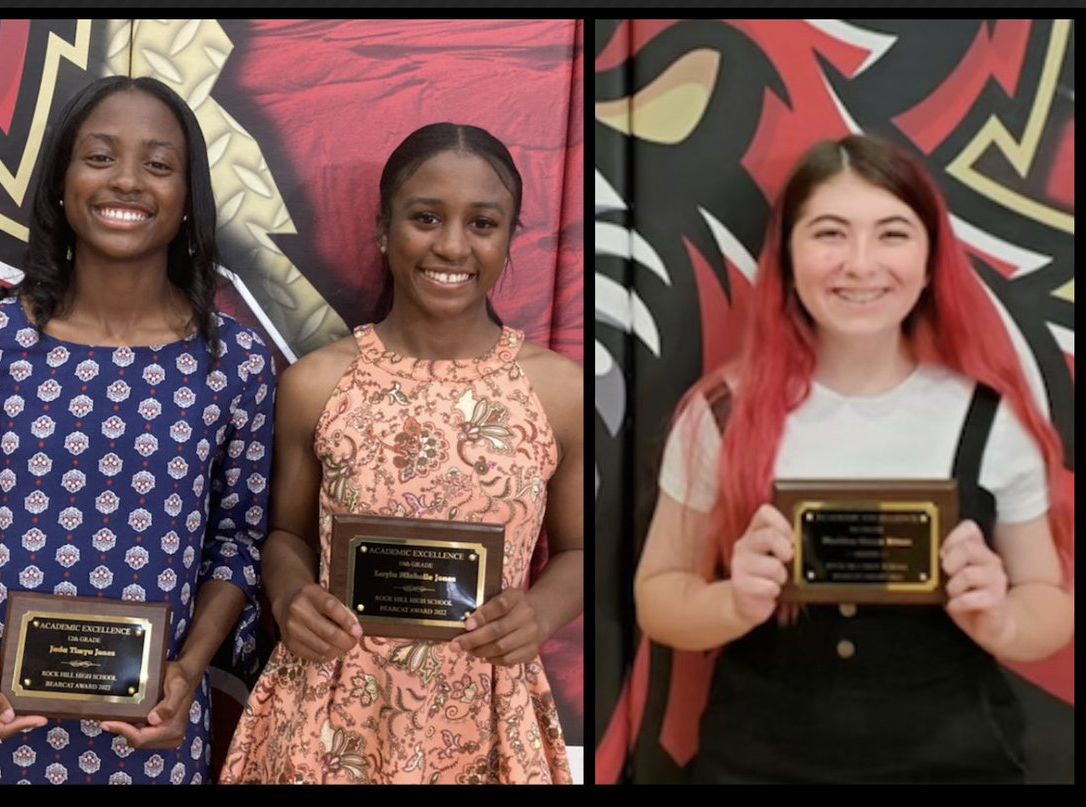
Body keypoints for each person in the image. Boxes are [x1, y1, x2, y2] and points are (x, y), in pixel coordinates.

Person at [634, 134, 1073, 784]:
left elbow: (1050, 605)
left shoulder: (989, 417)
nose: (860, 264)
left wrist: (1001, 617)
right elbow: (658, 596)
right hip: (755, 763)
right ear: (786, 255)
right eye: (830, 233)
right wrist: (736, 601)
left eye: (892, 233)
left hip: (956, 761)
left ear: (930, 259)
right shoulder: (721, 411)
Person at [0, 76, 275, 784]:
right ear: (62, 181)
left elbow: (238, 541)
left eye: (158, 165)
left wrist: (189, 669)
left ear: (188, 194)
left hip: (151, 740)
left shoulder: (235, 362)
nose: (127, 181)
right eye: (100, 157)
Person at [220, 123, 582, 784]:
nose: (451, 244)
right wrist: (292, 593)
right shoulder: (317, 383)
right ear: (384, 230)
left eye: (482, 223)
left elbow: (582, 553)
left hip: (482, 715)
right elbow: (282, 535)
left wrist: (540, 612)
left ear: (508, 239)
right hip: (329, 720)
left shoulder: (555, 390)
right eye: (425, 217)